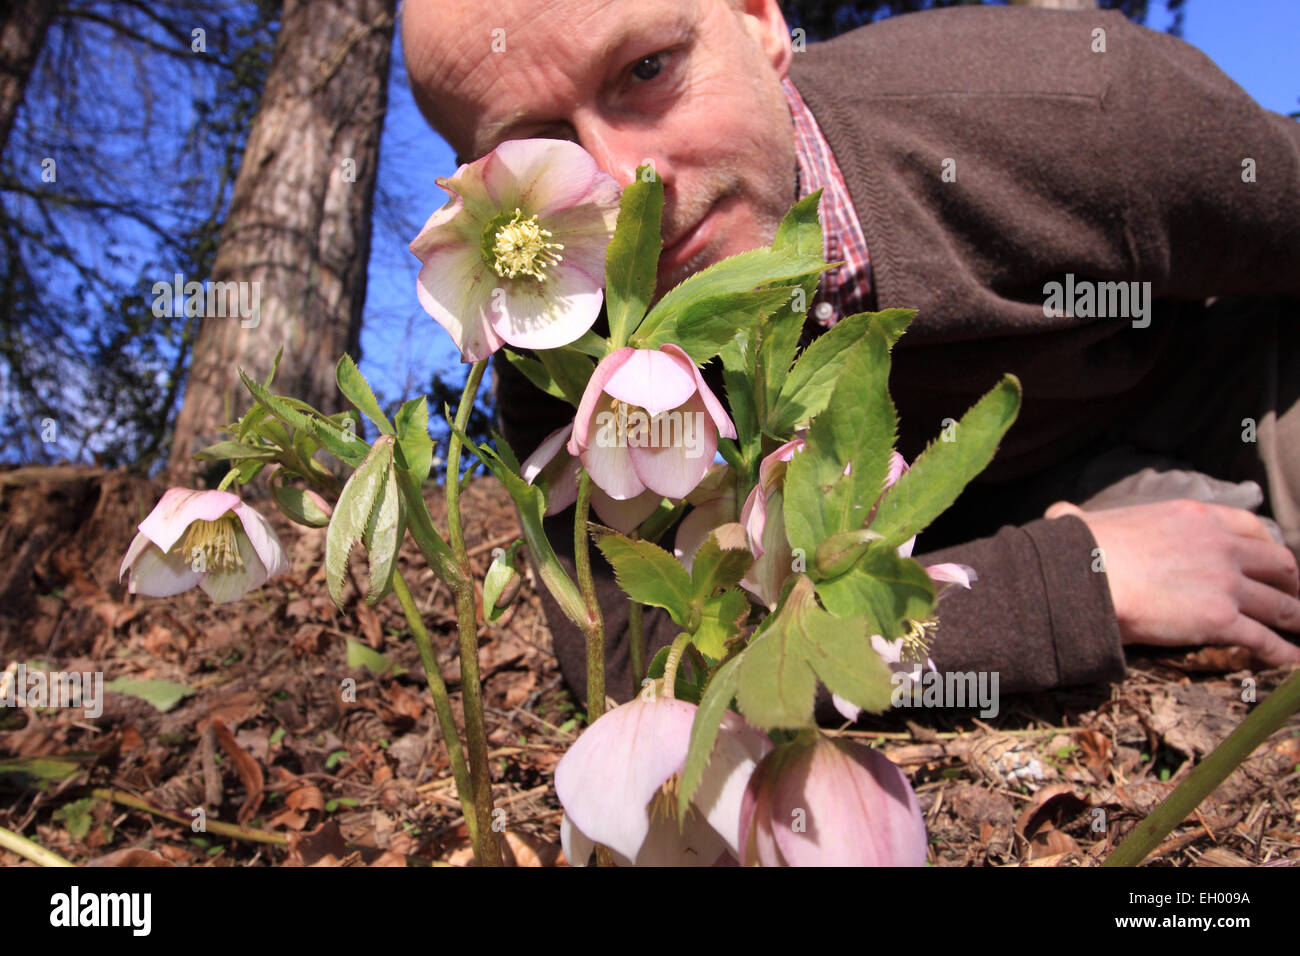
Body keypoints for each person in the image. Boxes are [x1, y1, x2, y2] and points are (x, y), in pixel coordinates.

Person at [401, 0, 1300, 707]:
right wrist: (1072, 581)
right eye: (541, 149)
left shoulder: (1083, 109)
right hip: (1038, 507)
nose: (628, 182)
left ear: (759, 22)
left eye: (647, 70)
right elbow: (640, 656)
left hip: (1225, 389)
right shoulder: (552, 325)